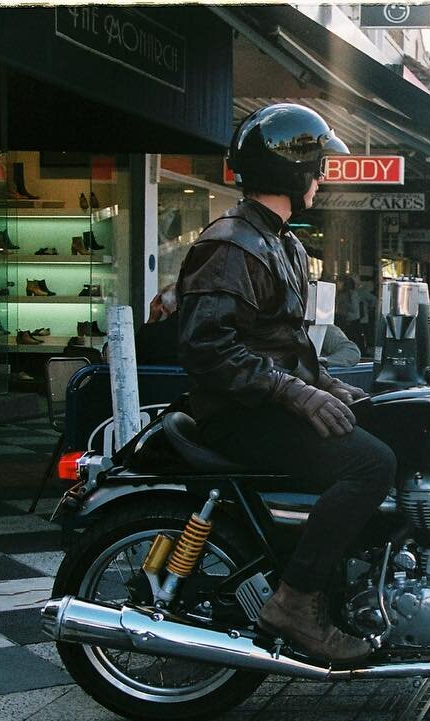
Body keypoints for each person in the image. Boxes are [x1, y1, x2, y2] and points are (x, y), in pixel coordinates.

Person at [176, 103, 395, 664]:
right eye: (317, 165)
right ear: (290, 169)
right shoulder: (231, 243)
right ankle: (297, 601)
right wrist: (296, 393)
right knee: (371, 464)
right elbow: (208, 348)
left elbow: (287, 343)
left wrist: (327, 383)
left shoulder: (284, 242)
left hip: (266, 403)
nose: (321, 177)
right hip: (237, 414)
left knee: (392, 431)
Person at [135, 283, 180, 365]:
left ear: (162, 309)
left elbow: (135, 362)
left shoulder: (148, 334)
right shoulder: (202, 331)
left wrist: (152, 319)